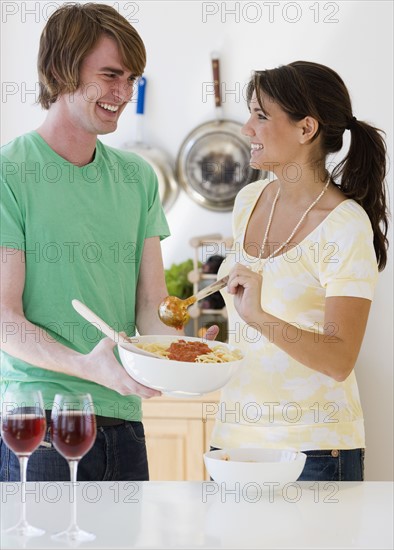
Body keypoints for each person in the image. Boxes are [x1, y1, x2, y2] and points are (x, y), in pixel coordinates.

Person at [0, 3, 217, 482]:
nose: (124, 93)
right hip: (42, 424)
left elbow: (150, 304)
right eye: (111, 75)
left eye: (132, 78)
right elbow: (4, 319)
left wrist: (183, 354)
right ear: (61, 70)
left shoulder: (137, 177)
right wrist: (86, 365)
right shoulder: (9, 173)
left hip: (125, 422)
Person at [210, 61, 389, 481]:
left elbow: (339, 358)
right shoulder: (249, 200)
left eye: (260, 115)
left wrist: (258, 317)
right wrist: (220, 347)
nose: (246, 128)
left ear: (306, 129)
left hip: (313, 451)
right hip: (234, 442)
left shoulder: (345, 224)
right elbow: (255, 327)